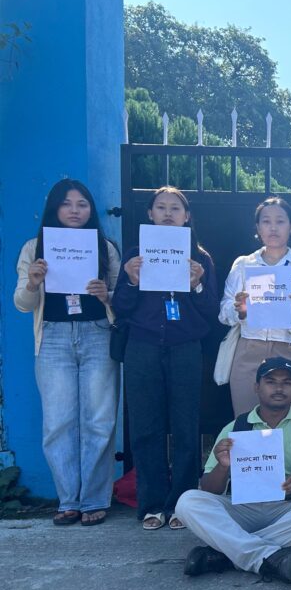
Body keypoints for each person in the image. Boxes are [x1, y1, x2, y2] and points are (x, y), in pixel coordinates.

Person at [14, 179, 121, 526]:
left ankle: (94, 499)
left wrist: (107, 296)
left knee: (99, 420)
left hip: (97, 334)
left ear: (91, 210)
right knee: (58, 422)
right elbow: (22, 303)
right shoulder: (34, 248)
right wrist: (33, 282)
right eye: (66, 203)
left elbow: (122, 300)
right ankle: (68, 500)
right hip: (53, 338)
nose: (74, 210)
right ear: (54, 208)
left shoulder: (105, 247)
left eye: (82, 204)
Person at [113, 186, 219, 531]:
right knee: (146, 427)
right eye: (161, 207)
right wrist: (131, 280)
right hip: (142, 347)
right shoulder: (135, 255)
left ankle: (182, 504)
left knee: (186, 426)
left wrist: (198, 285)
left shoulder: (200, 259)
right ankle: (152, 503)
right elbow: (120, 307)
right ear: (150, 214)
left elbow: (211, 312)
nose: (169, 213)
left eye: (176, 208)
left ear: (187, 216)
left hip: (185, 347)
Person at [175, 357, 291, 584]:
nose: (279, 388)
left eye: (287, 382)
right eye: (271, 381)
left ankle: (225, 553)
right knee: (187, 502)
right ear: (256, 387)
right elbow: (210, 489)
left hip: (286, 510)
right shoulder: (235, 428)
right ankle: (265, 557)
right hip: (242, 509)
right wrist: (223, 466)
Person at [219, 197, 291, 414]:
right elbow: (224, 313)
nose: (273, 227)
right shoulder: (243, 265)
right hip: (250, 351)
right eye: (266, 221)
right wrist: (240, 310)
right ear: (258, 228)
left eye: (280, 221)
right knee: (248, 424)